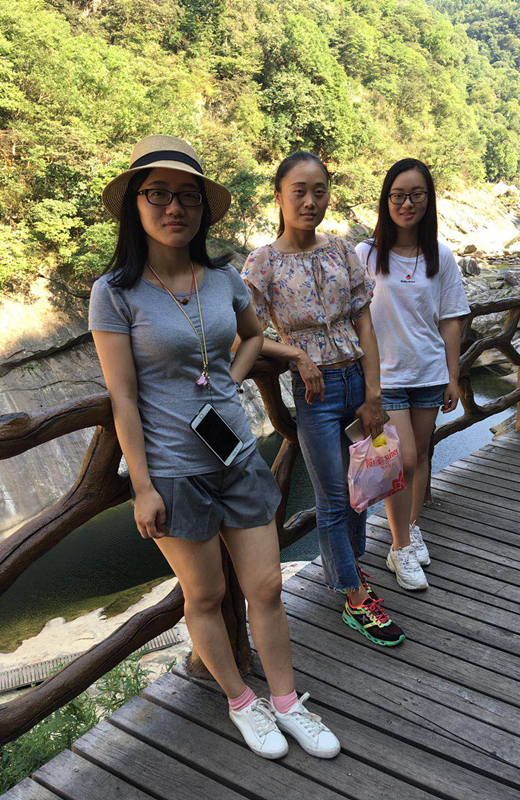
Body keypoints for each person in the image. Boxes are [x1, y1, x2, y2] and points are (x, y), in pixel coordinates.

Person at [89, 135, 340, 760]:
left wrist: (233, 376)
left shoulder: (224, 276)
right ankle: (241, 701)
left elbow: (252, 334)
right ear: (136, 204)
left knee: (267, 587)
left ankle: (288, 701)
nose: (175, 207)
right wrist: (142, 486)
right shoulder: (115, 292)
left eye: (188, 197)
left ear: (203, 209)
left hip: (236, 458)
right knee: (204, 596)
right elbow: (123, 398)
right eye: (158, 194)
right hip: (174, 472)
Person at [241, 151, 405, 647]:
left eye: (319, 191)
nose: (310, 201)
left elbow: (364, 323)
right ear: (279, 196)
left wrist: (373, 393)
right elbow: (245, 335)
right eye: (299, 191)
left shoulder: (341, 250)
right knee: (333, 498)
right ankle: (354, 598)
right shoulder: (263, 262)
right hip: (316, 392)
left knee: (363, 489)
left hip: (357, 380)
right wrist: (293, 352)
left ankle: (351, 570)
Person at [355, 158, 470, 589]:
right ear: (386, 200)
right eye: (399, 195)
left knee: (421, 455)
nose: (407, 204)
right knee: (399, 461)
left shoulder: (440, 255)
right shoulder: (366, 254)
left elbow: (451, 320)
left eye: (416, 195)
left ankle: (411, 527)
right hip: (384, 378)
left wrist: (452, 376)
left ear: (428, 199)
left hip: (429, 372)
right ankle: (399, 547)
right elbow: (352, 314)